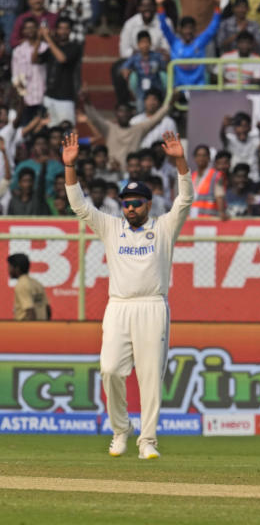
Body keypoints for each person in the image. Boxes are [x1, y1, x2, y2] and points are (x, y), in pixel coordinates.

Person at [62, 130, 194, 460]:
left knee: (151, 376)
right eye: (125, 202)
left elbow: (186, 199)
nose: (130, 207)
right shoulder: (110, 227)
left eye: (136, 203)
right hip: (118, 306)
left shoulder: (164, 228)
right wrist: (70, 167)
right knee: (109, 369)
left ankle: (147, 440)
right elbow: (78, 205)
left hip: (152, 305)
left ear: (148, 204)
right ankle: (120, 430)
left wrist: (180, 161)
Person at [7, 252, 49, 320]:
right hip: (41, 325)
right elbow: (47, 309)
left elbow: (30, 311)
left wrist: (31, 328)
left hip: (25, 327)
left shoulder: (21, 285)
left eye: (10, 267)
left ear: (17, 268)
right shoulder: (37, 283)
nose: (8, 270)